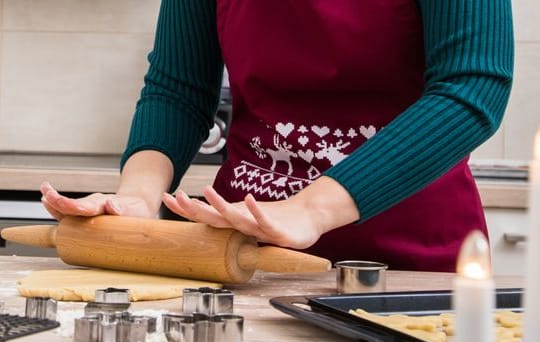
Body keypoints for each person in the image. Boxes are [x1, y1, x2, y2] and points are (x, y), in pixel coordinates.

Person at [40, 0, 514, 272]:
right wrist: (138, 197)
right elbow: (177, 89)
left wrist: (310, 209)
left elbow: (471, 87)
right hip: (238, 254)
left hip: (407, 260)